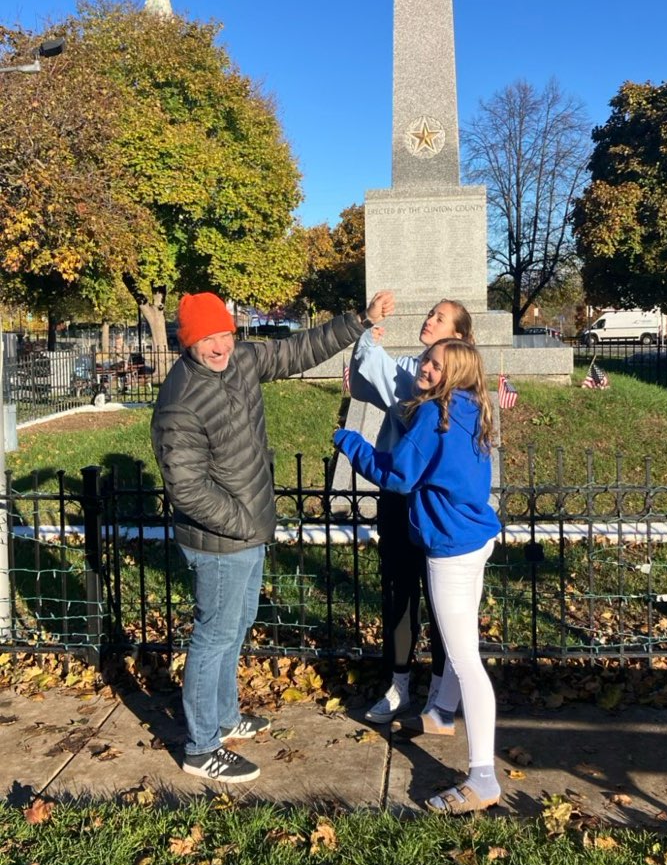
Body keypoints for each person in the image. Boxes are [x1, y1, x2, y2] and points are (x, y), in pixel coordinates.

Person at [152, 288, 395, 785]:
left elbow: (296, 350)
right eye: (207, 339)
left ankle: (224, 719)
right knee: (214, 637)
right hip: (220, 539)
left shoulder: (241, 359)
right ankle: (201, 747)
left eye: (224, 335)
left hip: (248, 528)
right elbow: (188, 489)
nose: (220, 347)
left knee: (236, 627)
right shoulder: (179, 402)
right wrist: (246, 524)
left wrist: (359, 320)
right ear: (187, 342)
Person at [335, 338, 501, 814]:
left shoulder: (433, 413)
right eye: (427, 360)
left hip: (450, 546)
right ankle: (439, 713)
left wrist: (350, 442)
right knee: (461, 641)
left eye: (436, 365)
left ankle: (483, 777)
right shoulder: (471, 407)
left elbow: (398, 476)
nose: (425, 367)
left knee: (465, 660)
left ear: (456, 374)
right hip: (475, 535)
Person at [348, 300, 473, 724]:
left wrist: (369, 349)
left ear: (459, 337)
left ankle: (439, 693)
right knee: (399, 593)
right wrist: (366, 339)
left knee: (442, 603)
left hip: (437, 509)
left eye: (440, 318)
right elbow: (364, 383)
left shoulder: (463, 391)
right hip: (399, 504)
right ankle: (398, 685)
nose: (429, 320)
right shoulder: (409, 368)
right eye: (430, 313)